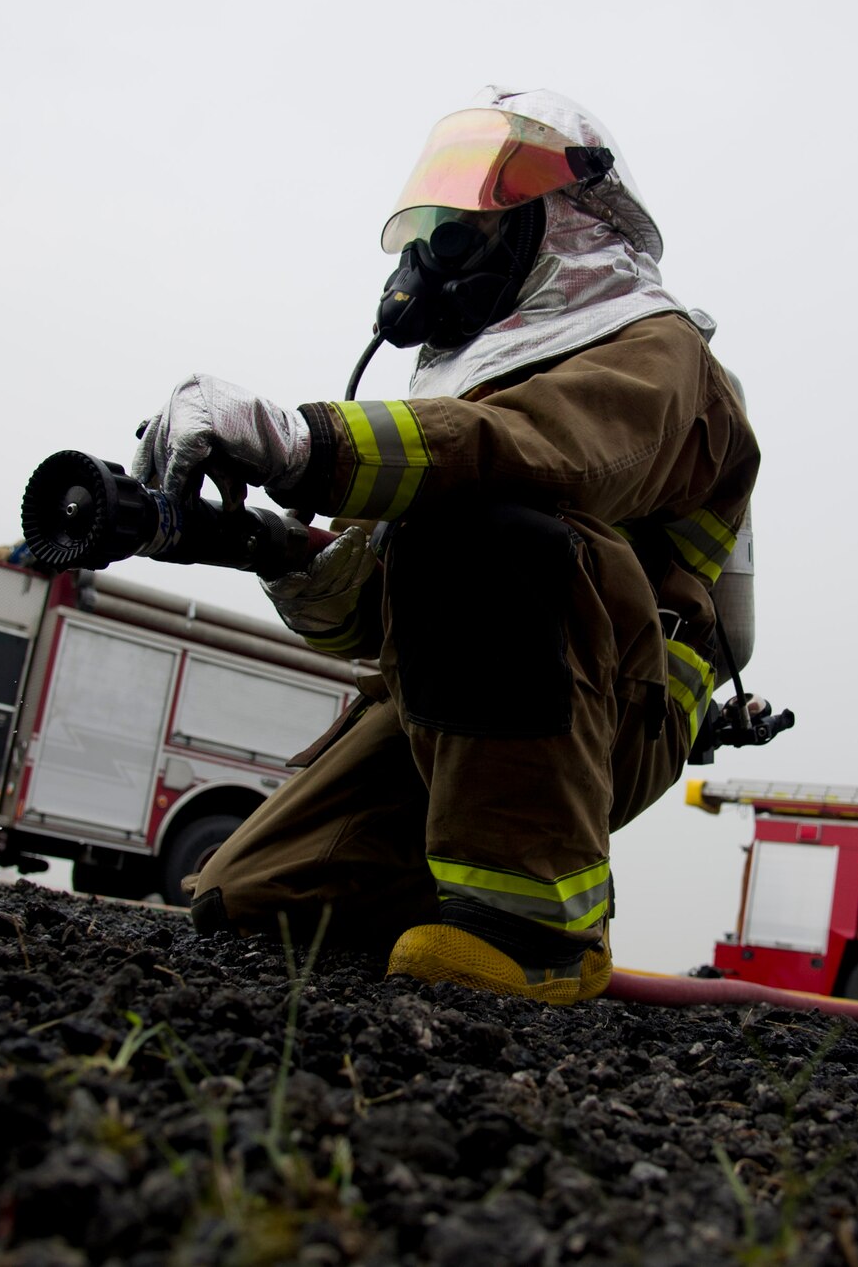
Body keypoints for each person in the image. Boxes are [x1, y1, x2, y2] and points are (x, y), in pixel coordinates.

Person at [132, 87, 760, 1004]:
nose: (436, 251)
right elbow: (359, 620)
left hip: (623, 704)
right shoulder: (474, 380)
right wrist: (266, 546)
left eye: (469, 221)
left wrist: (298, 444)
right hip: (470, 709)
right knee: (253, 901)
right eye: (431, 224)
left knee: (486, 516)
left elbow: (539, 457)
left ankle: (541, 930)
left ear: (565, 222)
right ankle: (455, 895)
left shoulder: (659, 351)